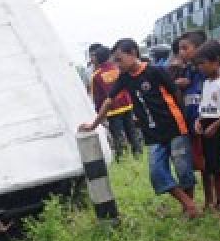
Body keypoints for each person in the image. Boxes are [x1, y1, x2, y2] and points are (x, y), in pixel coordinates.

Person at [79, 38, 198, 218]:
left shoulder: (155, 71)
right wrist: (94, 124)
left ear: (133, 54)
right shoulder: (124, 78)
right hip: (152, 134)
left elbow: (176, 93)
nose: (117, 65)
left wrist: (184, 121)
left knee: (183, 169)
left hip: (174, 126)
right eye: (115, 61)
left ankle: (189, 208)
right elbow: (108, 101)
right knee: (157, 172)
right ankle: (187, 203)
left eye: (120, 60)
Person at [194, 40, 220, 213]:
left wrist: (216, 126)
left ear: (216, 61)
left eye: (202, 63)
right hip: (207, 125)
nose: (200, 68)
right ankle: (218, 200)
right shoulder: (206, 83)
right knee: (211, 167)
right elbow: (204, 106)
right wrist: (199, 121)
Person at [90, 43, 142, 160]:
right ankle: (138, 153)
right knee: (131, 131)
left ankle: (122, 156)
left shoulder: (96, 75)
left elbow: (97, 97)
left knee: (117, 134)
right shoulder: (118, 69)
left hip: (112, 110)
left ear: (97, 59)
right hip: (127, 105)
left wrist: (99, 113)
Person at [176, 30, 209, 179]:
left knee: (209, 161)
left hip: (205, 122)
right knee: (199, 162)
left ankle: (217, 198)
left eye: (185, 48)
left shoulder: (206, 71)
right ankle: (209, 198)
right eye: (179, 49)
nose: (181, 53)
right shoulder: (187, 70)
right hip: (190, 121)